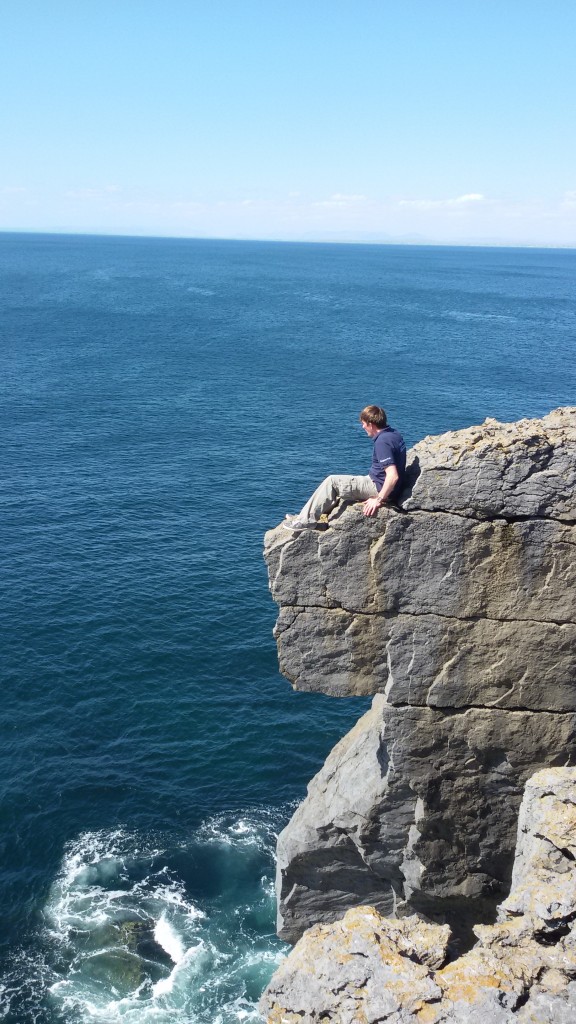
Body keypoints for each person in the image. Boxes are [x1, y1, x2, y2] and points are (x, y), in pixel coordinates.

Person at [283, 405, 406, 532]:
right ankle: (306, 515)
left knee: (332, 482)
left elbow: (392, 475)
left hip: (378, 486)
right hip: (388, 486)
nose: (363, 427)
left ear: (371, 424)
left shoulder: (382, 442)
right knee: (342, 483)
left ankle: (305, 521)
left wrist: (379, 499)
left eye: (363, 424)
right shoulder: (394, 433)